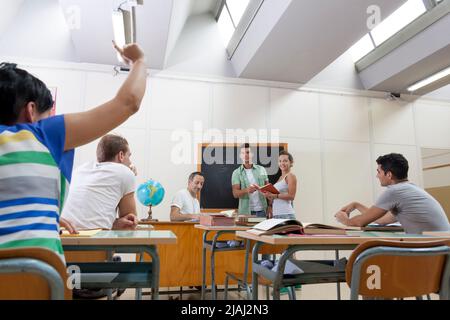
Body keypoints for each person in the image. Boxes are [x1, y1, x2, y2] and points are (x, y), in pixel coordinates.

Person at [0, 41, 147, 261]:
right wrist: (139, 61)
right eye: (47, 115)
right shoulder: (45, 134)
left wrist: (46, 216)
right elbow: (128, 102)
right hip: (37, 279)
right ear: (31, 111)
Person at [335, 153, 450, 234]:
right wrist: (357, 205)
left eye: (379, 172)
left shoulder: (394, 192)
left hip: (434, 251)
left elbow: (358, 223)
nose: (377, 176)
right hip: (443, 248)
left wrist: (343, 219)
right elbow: (382, 220)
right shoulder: (410, 189)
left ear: (389, 175)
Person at [61, 134, 138, 230]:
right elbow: (130, 224)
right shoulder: (125, 172)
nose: (130, 162)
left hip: (63, 235)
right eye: (129, 156)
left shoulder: (79, 170)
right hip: (94, 239)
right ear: (121, 155)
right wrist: (130, 174)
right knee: (149, 245)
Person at [231, 143, 270, 217]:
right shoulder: (236, 173)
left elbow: (269, 190)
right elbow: (235, 194)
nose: (245, 155)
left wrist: (270, 206)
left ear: (252, 154)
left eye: (248, 152)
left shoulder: (262, 169)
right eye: (243, 153)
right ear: (240, 155)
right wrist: (247, 190)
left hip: (262, 211)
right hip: (245, 212)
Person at [261, 151, 297, 220]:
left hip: (286, 215)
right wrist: (269, 196)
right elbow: (277, 197)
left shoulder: (291, 176)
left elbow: (291, 196)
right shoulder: (280, 178)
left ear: (291, 162)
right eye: (280, 161)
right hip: (276, 214)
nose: (282, 163)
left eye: (285, 161)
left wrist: (274, 195)